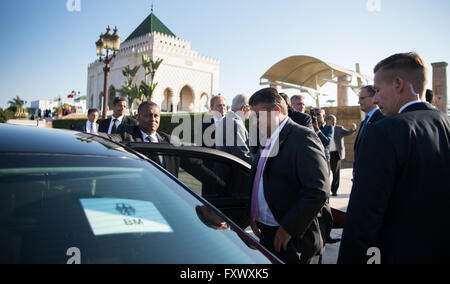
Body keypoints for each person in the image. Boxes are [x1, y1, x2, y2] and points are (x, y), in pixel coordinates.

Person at [338, 52, 450, 264]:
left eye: (378, 90)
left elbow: (363, 219)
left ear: (398, 84)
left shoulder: (385, 131)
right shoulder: (443, 122)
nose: (376, 98)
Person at [248, 87, 330, 264]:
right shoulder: (267, 137)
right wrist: (254, 215)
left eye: (258, 116)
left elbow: (318, 190)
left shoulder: (303, 137)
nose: (254, 122)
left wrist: (288, 228)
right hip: (268, 231)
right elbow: (260, 178)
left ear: (276, 112)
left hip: (294, 238)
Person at [115, 101, 179, 175]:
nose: (152, 119)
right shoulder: (126, 134)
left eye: (156, 116)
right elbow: (111, 138)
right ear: (137, 117)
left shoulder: (170, 141)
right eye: (147, 115)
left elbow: (192, 161)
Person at [216, 94, 252, 163]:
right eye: (250, 108)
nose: (251, 112)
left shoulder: (224, 120)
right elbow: (243, 156)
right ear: (244, 108)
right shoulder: (235, 123)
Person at [353, 85, 384, 166]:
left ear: (374, 97)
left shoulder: (382, 120)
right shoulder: (364, 122)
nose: (358, 102)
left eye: (362, 98)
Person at [326, 115, 356, 196]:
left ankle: (334, 190)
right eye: (332, 120)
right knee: (326, 173)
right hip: (326, 154)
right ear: (327, 121)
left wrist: (353, 129)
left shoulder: (339, 128)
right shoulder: (324, 128)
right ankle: (326, 190)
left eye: (335, 120)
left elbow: (347, 132)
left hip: (336, 154)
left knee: (336, 173)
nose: (334, 122)